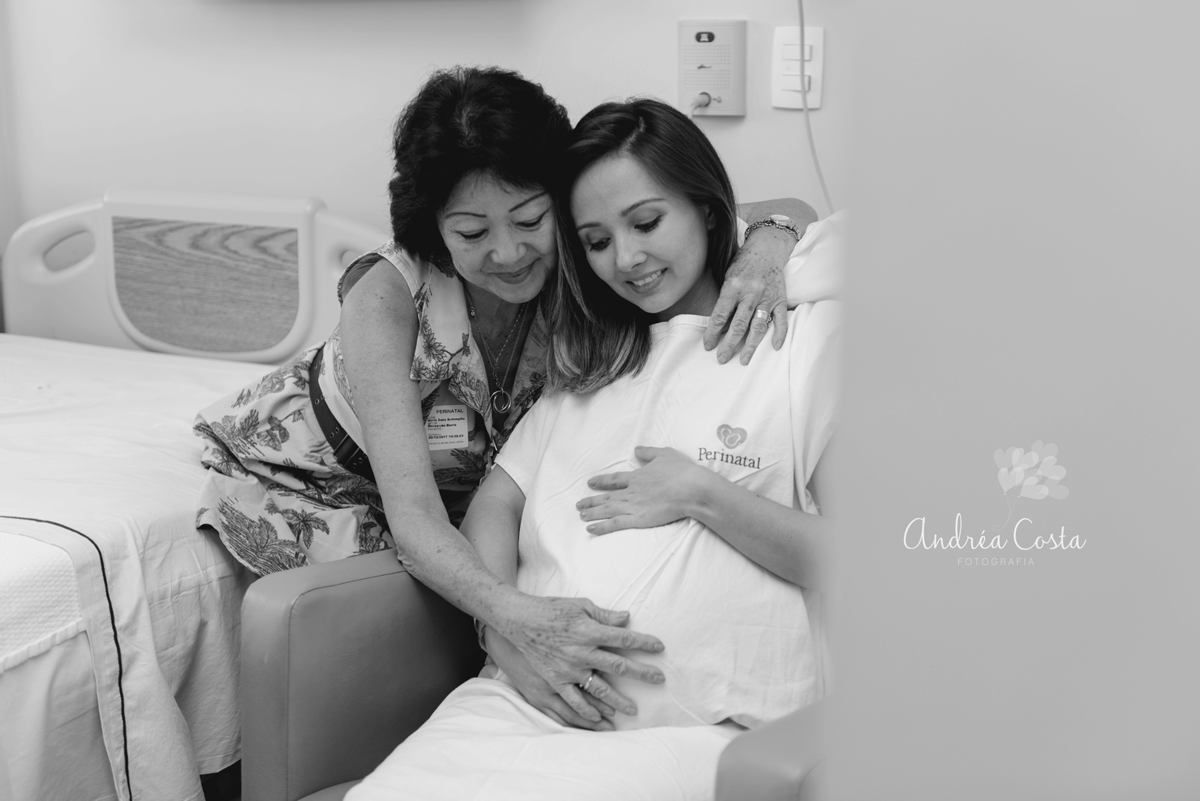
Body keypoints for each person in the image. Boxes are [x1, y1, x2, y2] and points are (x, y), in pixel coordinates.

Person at [193, 66, 815, 726]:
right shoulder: (388, 298)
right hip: (318, 481)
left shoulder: (589, 257)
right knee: (401, 652)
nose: (509, 252)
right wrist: (508, 622)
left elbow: (774, 208)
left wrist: (767, 249)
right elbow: (418, 524)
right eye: (471, 232)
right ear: (434, 227)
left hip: (463, 497)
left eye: (529, 219)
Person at [344, 97, 842, 801]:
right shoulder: (587, 361)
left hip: (695, 732)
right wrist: (507, 636)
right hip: (513, 702)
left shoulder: (795, 343)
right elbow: (475, 512)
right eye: (598, 241)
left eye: (645, 224)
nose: (628, 258)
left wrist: (700, 492)